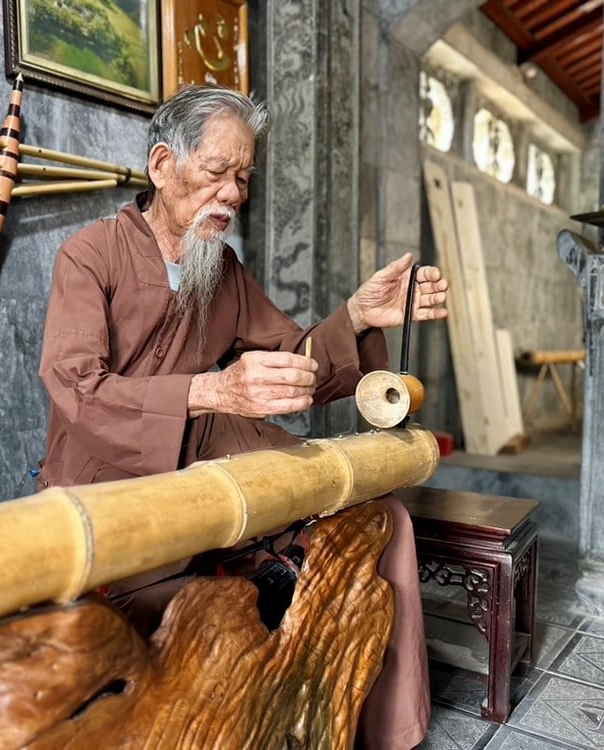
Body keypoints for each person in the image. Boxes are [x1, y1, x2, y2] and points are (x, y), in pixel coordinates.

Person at [36, 84, 448, 750]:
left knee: (381, 522)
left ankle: (376, 729)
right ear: (164, 166)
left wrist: (357, 317)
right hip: (113, 485)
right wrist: (212, 391)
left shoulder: (220, 268)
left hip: (210, 468)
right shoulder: (90, 256)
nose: (232, 193)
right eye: (216, 173)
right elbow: (76, 391)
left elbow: (294, 361)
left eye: (243, 178)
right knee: (185, 608)